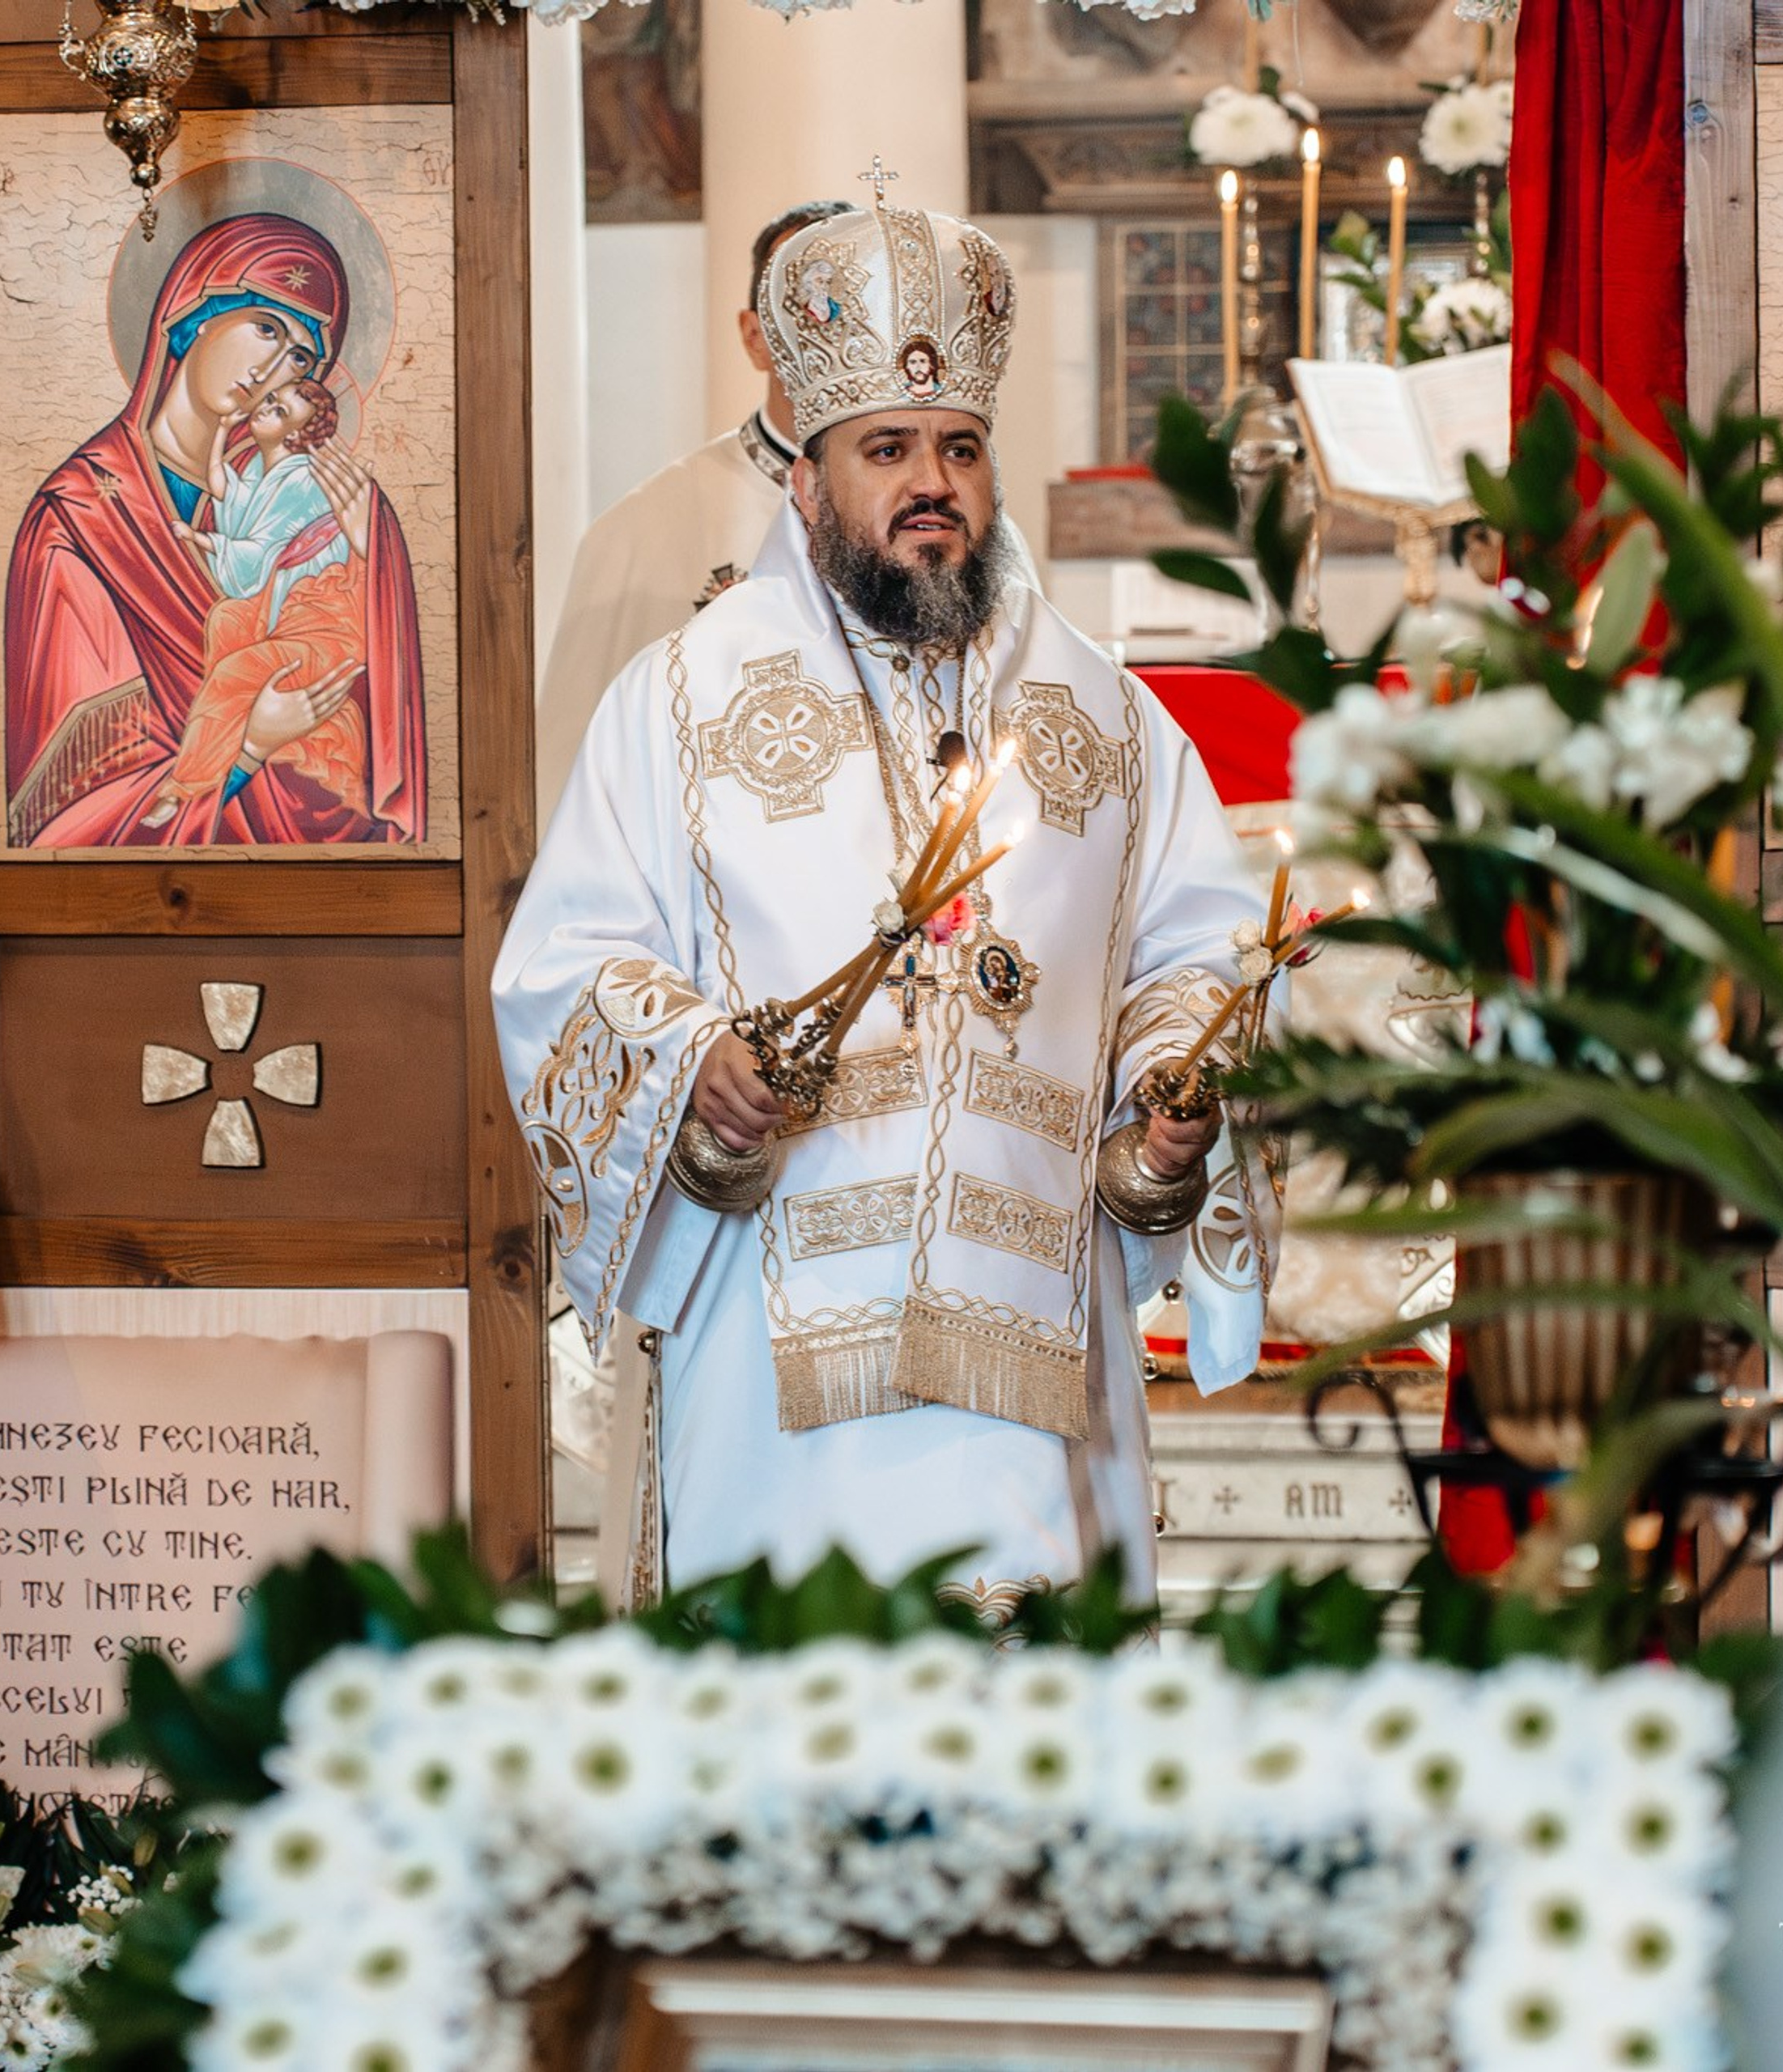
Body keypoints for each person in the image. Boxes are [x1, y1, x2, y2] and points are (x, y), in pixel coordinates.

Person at [496, 198, 1275, 1610]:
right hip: (771, 1345)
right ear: (808, 482)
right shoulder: (682, 699)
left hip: (1041, 1340)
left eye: (959, 448)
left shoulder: (1105, 712)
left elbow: (1197, 943)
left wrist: (1175, 1085)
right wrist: (694, 1066)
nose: (933, 482)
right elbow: (565, 962)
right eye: (889, 449)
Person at [3, 212, 425, 850]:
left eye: (300, 356)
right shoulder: (80, 514)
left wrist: (374, 556)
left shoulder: (329, 500)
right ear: (194, 315)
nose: (271, 369)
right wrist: (252, 746)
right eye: (264, 328)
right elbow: (76, 807)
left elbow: (374, 742)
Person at [533, 198, 860, 821]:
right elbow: (568, 784)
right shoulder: (637, 534)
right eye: (810, 314)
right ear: (754, 338)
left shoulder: (946, 518)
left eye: (860, 315)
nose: (838, 338)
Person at [142, 376, 370, 834]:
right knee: (225, 618)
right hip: (283, 608)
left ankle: (184, 786)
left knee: (232, 671)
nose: (265, 409)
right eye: (271, 400)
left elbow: (258, 556)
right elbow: (224, 490)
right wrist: (223, 432)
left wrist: (198, 538)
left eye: (280, 411)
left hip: (325, 627)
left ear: (295, 437)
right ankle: (224, 749)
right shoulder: (261, 470)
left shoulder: (304, 481)